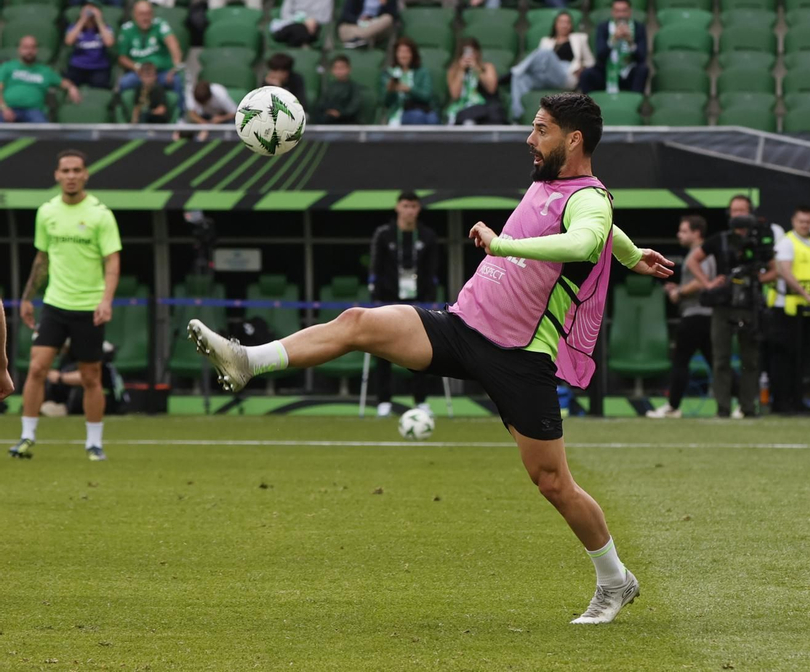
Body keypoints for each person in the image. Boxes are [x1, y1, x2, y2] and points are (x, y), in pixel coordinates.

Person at [186, 92, 675, 623]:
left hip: (518, 356)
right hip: (464, 324)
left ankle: (614, 580)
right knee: (358, 323)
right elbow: (599, 237)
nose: (529, 139)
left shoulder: (589, 198)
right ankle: (247, 360)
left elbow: (584, 241)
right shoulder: (554, 186)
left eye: (540, 129)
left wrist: (505, 245)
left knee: (553, 482)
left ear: (573, 138)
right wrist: (629, 254)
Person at [10, 151, 121, 462]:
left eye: (76, 170)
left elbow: (112, 262)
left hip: (89, 307)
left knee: (90, 377)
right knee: (36, 368)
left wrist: (106, 300)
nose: (71, 175)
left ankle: (94, 443)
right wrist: (28, 297)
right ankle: (27, 437)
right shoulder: (46, 212)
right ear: (57, 175)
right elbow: (42, 258)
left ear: (85, 174)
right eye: (65, 170)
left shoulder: (101, 214)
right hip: (55, 305)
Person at [686, 195, 774, 419]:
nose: (739, 215)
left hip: (749, 304)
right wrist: (708, 283)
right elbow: (692, 260)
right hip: (723, 304)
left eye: (742, 210)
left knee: (750, 359)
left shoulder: (760, 240)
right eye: (734, 211)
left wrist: (753, 281)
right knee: (721, 358)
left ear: (750, 212)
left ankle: (747, 407)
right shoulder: (720, 240)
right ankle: (722, 408)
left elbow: (775, 270)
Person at [367, 191, 441, 418]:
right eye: (405, 205)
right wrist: (376, 299)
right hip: (388, 301)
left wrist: (430, 299)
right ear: (398, 207)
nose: (409, 210)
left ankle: (420, 400)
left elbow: (433, 271)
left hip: (417, 302)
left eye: (414, 206)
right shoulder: (384, 234)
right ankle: (384, 401)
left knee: (419, 351)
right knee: (383, 349)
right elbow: (375, 269)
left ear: (418, 209)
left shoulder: (428, 236)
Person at [649, 215, 716, 419]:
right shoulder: (702, 253)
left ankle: (673, 406)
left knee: (680, 361)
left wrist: (679, 293)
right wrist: (678, 288)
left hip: (695, 315)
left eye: (684, 230)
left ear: (697, 233)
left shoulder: (700, 253)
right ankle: (742, 402)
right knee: (716, 363)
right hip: (703, 315)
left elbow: (701, 282)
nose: (679, 234)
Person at [766, 205, 810, 416]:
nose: (805, 225)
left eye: (808, 221)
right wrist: (806, 295)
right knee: (784, 358)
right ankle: (782, 403)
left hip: (804, 310)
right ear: (793, 221)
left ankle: (797, 400)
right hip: (786, 308)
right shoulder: (787, 243)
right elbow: (785, 273)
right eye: (801, 221)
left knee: (800, 358)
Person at [512, 11, 595, 115]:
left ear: (571, 25)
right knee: (519, 78)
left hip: (566, 73)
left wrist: (582, 67)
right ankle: (517, 114)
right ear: (555, 24)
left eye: (567, 22)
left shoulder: (579, 38)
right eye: (561, 22)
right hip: (546, 75)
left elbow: (591, 62)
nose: (564, 25)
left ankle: (515, 70)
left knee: (545, 52)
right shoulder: (546, 41)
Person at [0, 36, 78, 123]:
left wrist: (71, 87)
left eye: (32, 47)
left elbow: (62, 82)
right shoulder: (7, 67)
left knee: (44, 132)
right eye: (26, 47)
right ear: (19, 49)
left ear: (36, 50)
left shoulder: (45, 70)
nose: (29, 51)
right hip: (8, 108)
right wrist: (4, 108)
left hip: (34, 111)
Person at [580, 0, 648, 95]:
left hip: (629, 71)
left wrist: (630, 42)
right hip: (606, 71)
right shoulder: (603, 27)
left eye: (624, 11)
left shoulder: (639, 27)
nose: (621, 15)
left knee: (642, 70)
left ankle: (634, 104)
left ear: (630, 12)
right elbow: (600, 56)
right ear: (612, 12)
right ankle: (588, 107)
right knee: (587, 74)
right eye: (617, 11)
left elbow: (642, 57)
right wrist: (613, 39)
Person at [114, 0, 184, 94]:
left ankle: (181, 108)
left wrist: (175, 67)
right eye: (141, 14)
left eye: (148, 13)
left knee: (177, 81)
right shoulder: (127, 29)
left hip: (161, 72)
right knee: (124, 82)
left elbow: (173, 45)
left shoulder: (160, 24)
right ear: (134, 15)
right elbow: (122, 58)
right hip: (139, 73)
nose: (145, 17)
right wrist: (137, 68)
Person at [445, 37, 504, 126]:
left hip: (483, 107)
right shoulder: (454, 70)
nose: (469, 55)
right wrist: (461, 71)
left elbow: (491, 88)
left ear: (477, 52)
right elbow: (455, 95)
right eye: (466, 52)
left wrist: (477, 68)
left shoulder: (487, 67)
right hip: (461, 108)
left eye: (471, 51)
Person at [383, 38, 438, 126]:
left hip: (422, 109)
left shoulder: (423, 72)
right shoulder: (389, 73)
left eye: (407, 52)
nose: (403, 55)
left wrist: (409, 89)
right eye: (400, 52)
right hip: (400, 111)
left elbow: (426, 96)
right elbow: (385, 102)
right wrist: (390, 90)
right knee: (417, 117)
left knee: (432, 119)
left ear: (413, 54)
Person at [64, 3, 116, 90]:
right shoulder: (74, 27)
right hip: (78, 66)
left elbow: (109, 43)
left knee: (100, 87)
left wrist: (99, 20)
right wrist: (82, 20)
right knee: (69, 85)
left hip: (99, 67)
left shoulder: (105, 27)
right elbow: (68, 41)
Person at [314, 54, 362, 125]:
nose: (339, 71)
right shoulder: (329, 87)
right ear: (331, 70)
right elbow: (322, 103)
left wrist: (340, 113)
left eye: (342, 68)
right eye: (336, 68)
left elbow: (354, 106)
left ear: (349, 69)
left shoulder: (353, 87)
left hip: (347, 121)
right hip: (329, 120)